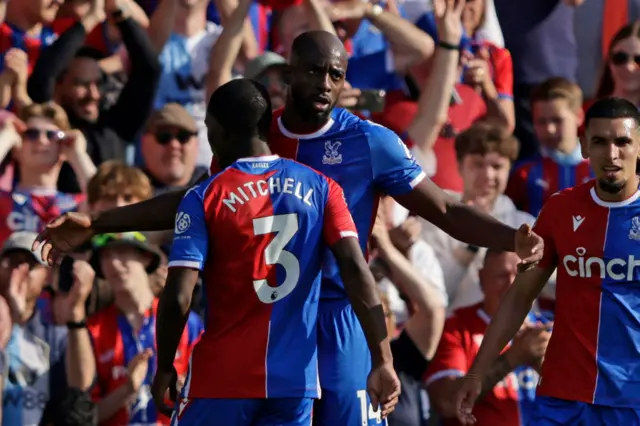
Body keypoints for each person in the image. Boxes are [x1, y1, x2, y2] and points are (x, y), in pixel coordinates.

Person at [35, 28, 543, 426]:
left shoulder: (373, 142)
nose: (325, 84)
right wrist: (100, 223)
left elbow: (446, 211)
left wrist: (509, 236)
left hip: (344, 314)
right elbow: (195, 201)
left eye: (336, 74)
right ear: (288, 74)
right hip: (271, 320)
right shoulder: (257, 135)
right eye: (314, 71)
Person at [150, 78, 399, 425]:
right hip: (295, 385)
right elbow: (356, 271)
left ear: (219, 130)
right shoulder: (324, 188)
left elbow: (179, 296)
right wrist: (382, 359)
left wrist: (164, 367)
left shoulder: (205, 196)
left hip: (223, 380)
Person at [453, 97, 640, 425]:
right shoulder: (559, 210)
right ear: (584, 147)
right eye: (600, 141)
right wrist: (476, 373)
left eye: (623, 141)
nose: (612, 154)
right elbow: (520, 296)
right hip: (563, 397)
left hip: (631, 398)